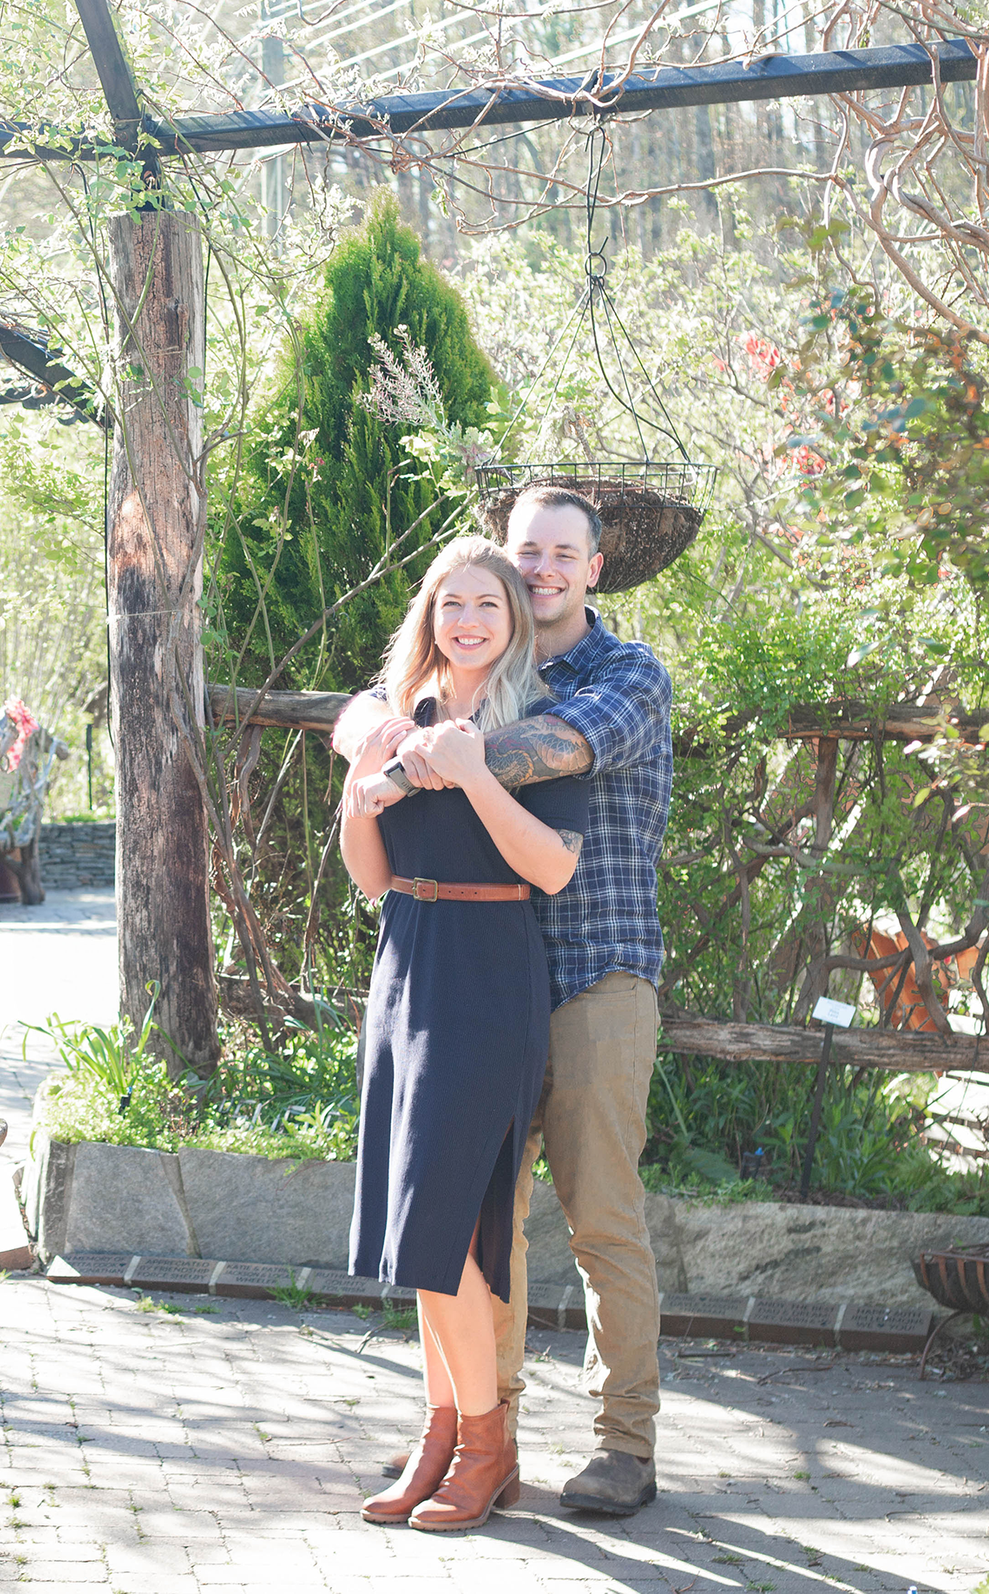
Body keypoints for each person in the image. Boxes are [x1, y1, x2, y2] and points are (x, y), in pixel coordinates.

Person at [334, 485, 673, 1517]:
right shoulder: (480, 665)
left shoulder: (618, 676)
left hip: (596, 968)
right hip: (485, 965)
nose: (541, 566)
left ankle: (624, 1441)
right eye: (526, 547)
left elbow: (543, 751)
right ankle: (489, 1432)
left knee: (600, 1213)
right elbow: (374, 706)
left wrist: (408, 752)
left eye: (561, 552)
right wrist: (376, 726)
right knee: (484, 1222)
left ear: (593, 567)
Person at [339, 536, 589, 1533]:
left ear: (513, 617)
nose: (470, 619)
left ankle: (482, 1448)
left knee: (440, 1224)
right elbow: (367, 871)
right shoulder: (400, 714)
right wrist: (363, 790)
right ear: (430, 615)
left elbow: (552, 868)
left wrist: (474, 771)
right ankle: (445, 1436)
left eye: (488, 602)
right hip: (404, 956)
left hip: (489, 969)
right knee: (421, 1231)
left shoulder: (541, 725)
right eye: (452, 603)